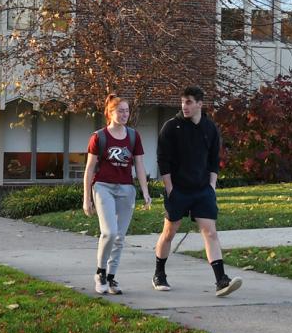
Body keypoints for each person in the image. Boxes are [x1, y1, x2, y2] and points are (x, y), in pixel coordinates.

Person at [153, 85, 242, 297]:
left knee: (210, 232)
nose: (185, 106)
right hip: (178, 190)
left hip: (202, 190)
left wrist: (211, 186)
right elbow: (162, 160)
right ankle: (159, 273)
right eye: (183, 102)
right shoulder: (171, 127)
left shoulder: (210, 128)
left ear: (200, 104)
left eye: (189, 102)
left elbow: (214, 160)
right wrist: (170, 188)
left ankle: (221, 280)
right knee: (169, 232)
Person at [83, 93, 152, 295]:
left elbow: (139, 165)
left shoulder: (133, 136)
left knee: (120, 237)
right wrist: (86, 198)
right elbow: (89, 169)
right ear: (110, 112)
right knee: (109, 232)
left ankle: (111, 277)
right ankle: (100, 273)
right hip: (103, 187)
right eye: (120, 110)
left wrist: (145, 191)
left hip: (126, 189)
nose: (124, 114)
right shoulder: (99, 137)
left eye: (127, 111)